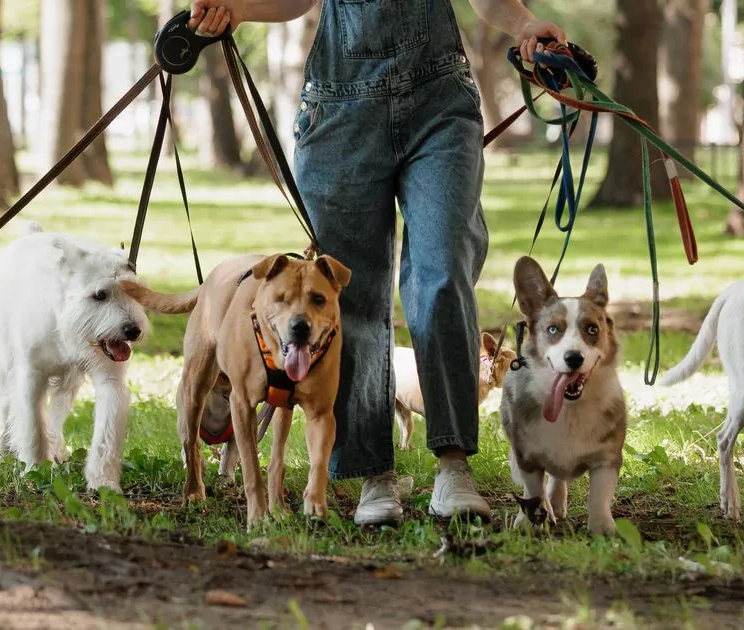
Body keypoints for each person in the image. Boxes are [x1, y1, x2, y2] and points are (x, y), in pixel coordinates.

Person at [188, 0, 567, 526]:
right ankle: (373, 474)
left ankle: (453, 466)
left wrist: (525, 25)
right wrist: (237, 8)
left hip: (440, 105)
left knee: (443, 266)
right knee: (353, 292)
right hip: (339, 112)